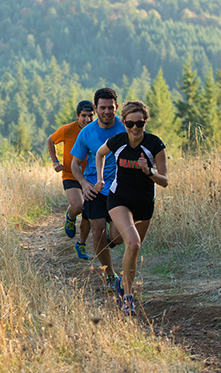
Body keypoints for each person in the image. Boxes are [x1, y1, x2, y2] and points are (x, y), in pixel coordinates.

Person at [95, 100, 169, 316]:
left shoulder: (155, 144)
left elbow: (164, 181)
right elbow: (99, 154)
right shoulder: (117, 141)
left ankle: (122, 283)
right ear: (123, 122)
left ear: (145, 122)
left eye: (140, 123)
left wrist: (149, 172)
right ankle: (128, 298)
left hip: (144, 203)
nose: (135, 128)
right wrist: (100, 179)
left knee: (133, 249)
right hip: (119, 198)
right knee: (133, 243)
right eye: (130, 124)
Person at [70, 87, 126, 290]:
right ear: (95, 108)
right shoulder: (87, 133)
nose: (107, 112)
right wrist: (84, 184)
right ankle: (110, 275)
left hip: (120, 188)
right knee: (97, 231)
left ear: (116, 107)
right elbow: (75, 164)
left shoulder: (125, 127)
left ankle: (110, 240)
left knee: (118, 237)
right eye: (102, 108)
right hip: (95, 188)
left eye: (110, 108)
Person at [46, 100, 94, 258]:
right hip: (70, 174)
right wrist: (55, 161)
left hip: (91, 176)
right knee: (79, 206)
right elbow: (50, 140)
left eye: (90, 116)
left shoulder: (97, 129)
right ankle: (71, 216)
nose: (87, 119)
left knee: (88, 211)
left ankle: (81, 244)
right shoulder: (67, 130)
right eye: (84, 116)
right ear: (77, 115)